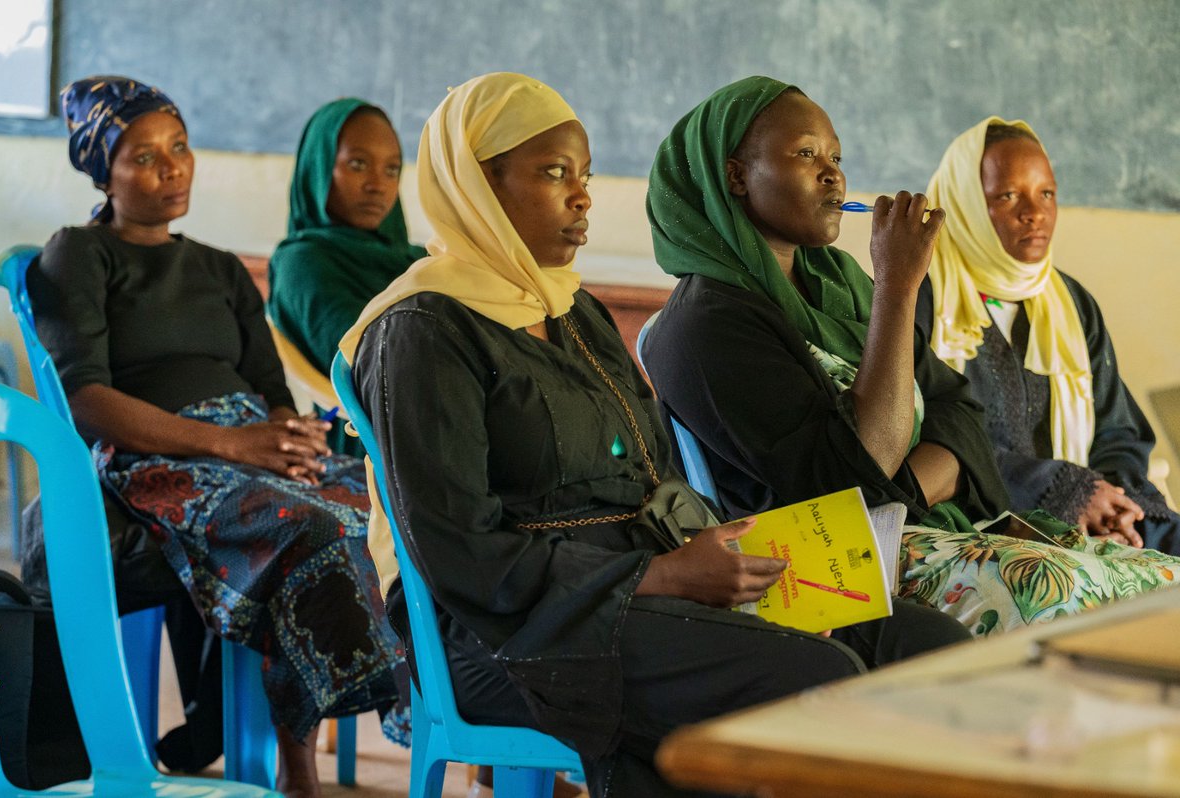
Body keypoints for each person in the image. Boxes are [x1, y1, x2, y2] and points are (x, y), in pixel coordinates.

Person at [342, 71, 970, 798]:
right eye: (554, 173)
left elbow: (653, 480)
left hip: (644, 588)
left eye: (585, 174)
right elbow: (460, 552)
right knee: (812, 682)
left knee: (926, 649)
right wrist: (663, 578)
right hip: (509, 630)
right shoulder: (423, 329)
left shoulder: (576, 313)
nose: (581, 196)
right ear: (479, 184)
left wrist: (766, 583)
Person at [641, 77, 1180, 638]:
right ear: (735, 176)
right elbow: (852, 479)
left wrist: (903, 491)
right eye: (806, 154)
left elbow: (958, 411)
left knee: (1163, 581)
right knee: (1058, 592)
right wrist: (898, 285)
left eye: (836, 156)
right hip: (820, 570)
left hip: (921, 530)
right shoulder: (705, 325)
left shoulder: (839, 284)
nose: (833, 174)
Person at [28, 75, 408, 797]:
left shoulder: (220, 268)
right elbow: (88, 401)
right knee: (310, 526)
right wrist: (229, 446)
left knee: (382, 505)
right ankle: (297, 763)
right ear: (102, 168)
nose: (171, 168)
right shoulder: (78, 254)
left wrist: (287, 436)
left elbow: (267, 392)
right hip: (151, 458)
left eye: (180, 148)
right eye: (144, 155)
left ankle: (426, 711)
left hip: (243, 445)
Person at [915, 117, 1180, 556]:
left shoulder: (1071, 302)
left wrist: (1113, 507)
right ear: (964, 204)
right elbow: (929, 439)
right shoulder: (921, 298)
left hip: (1095, 513)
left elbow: (1118, 432)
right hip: (982, 522)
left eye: (1047, 193)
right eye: (1007, 195)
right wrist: (1065, 494)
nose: (1033, 212)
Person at [268, 98, 426, 457]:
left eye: (391, 169)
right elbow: (367, 360)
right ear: (320, 168)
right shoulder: (302, 261)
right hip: (369, 440)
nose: (377, 185)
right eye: (358, 164)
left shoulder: (421, 259)